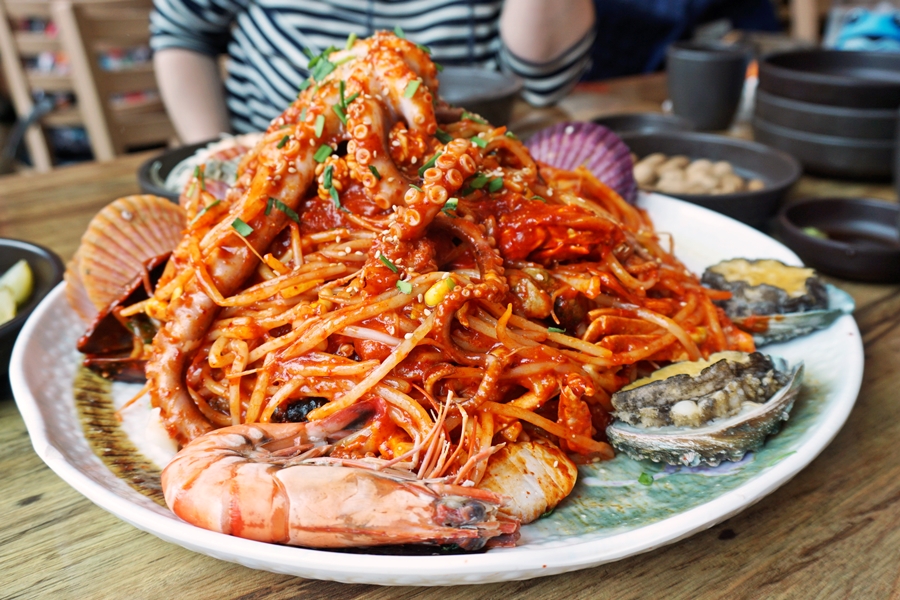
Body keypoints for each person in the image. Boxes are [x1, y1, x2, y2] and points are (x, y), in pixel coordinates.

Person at [150, 0, 595, 143]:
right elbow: (182, 31)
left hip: (457, 149)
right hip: (270, 147)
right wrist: (216, 153)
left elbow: (542, 81)